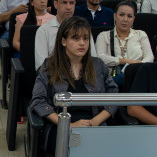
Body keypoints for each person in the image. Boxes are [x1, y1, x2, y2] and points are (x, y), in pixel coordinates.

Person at [30, 17, 117, 148]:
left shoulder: (98, 65)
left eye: (86, 38)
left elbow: (114, 96)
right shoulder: (49, 66)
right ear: (64, 41)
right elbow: (38, 101)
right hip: (60, 126)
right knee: (76, 146)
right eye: (75, 38)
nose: (82, 43)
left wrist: (96, 121)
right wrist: (67, 125)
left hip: (94, 125)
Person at [94, 1, 151, 84]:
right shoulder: (104, 36)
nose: (125, 19)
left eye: (129, 16)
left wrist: (137, 66)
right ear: (115, 16)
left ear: (133, 19)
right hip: (112, 78)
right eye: (121, 15)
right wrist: (125, 61)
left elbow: (149, 57)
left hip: (138, 76)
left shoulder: (141, 34)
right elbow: (100, 58)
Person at [35, 0, 77, 66]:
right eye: (64, 3)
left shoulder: (83, 29)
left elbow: (92, 61)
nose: (68, 7)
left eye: (71, 3)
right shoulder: (43, 31)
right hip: (54, 76)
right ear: (55, 4)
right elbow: (41, 66)